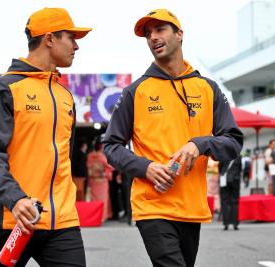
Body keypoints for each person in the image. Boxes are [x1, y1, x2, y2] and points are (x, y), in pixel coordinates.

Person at [103, 9, 243, 267]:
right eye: (148, 34)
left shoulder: (208, 88)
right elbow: (111, 146)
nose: (153, 38)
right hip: (152, 205)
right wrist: (146, 168)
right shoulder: (136, 91)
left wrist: (200, 144)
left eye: (160, 30)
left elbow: (233, 141)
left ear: (180, 34)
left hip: (192, 208)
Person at [0, 7, 92, 266]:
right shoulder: (6, 87)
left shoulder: (65, 96)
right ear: (49, 39)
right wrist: (16, 199)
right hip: (12, 218)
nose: (76, 46)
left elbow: (66, 157)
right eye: (71, 38)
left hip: (62, 222)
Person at [86, 140, 113, 222]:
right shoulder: (102, 157)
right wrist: (106, 174)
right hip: (102, 181)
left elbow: (88, 166)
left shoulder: (89, 156)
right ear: (101, 147)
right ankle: (102, 217)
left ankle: (95, 217)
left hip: (93, 180)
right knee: (103, 199)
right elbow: (110, 167)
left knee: (94, 199)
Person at [219, 155, 242, 231]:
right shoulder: (238, 156)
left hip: (224, 180)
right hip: (235, 180)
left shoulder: (223, 155)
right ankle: (235, 223)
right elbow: (240, 168)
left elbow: (220, 167)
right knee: (235, 202)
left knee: (224, 201)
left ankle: (226, 223)